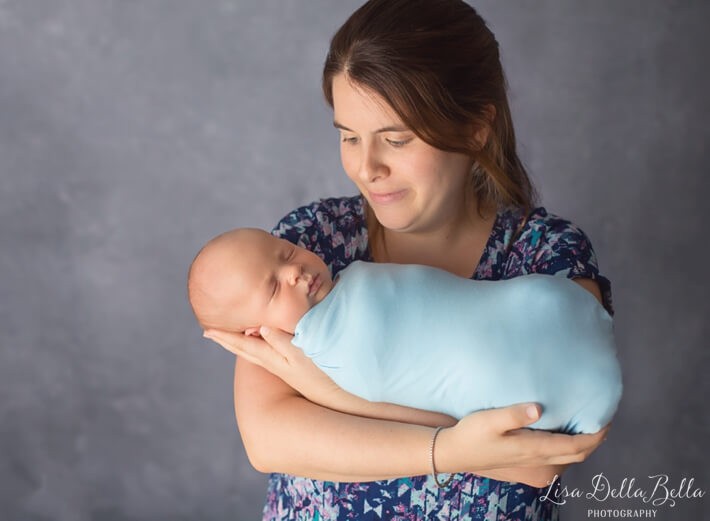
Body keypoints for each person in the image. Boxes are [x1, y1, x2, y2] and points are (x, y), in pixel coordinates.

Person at [202, 0, 614, 518]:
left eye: (395, 139)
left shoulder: (546, 253)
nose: (367, 167)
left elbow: (541, 461)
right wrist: (461, 447)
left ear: (474, 127)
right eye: (349, 137)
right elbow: (269, 440)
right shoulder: (308, 246)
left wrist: (326, 394)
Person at [189, 227, 621, 434]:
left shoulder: (547, 241)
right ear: (253, 333)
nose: (296, 272)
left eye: (286, 253)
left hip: (544, 309)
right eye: (273, 287)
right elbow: (267, 444)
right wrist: (324, 389)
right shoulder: (310, 353)